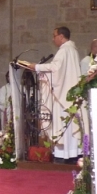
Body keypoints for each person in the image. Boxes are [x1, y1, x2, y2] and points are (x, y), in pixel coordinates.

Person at [28, 26, 82, 162]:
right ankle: (72, 153)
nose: (53, 39)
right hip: (69, 93)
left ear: (61, 37)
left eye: (54, 36)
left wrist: (37, 67)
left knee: (63, 122)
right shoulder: (73, 50)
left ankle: (64, 155)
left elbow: (55, 69)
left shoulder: (64, 50)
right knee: (69, 125)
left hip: (62, 95)